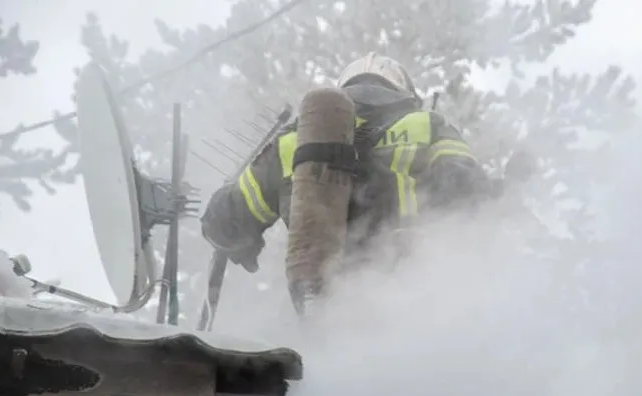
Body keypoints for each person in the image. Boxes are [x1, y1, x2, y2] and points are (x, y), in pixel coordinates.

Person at [200, 52, 491, 314]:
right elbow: (469, 191)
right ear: (404, 92)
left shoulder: (293, 140)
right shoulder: (426, 124)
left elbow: (224, 224)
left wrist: (229, 213)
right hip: (414, 292)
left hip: (322, 304)